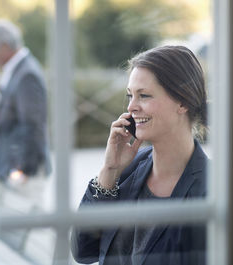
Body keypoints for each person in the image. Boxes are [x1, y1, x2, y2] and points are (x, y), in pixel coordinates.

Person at [71, 46, 208, 265]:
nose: (131, 107)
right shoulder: (127, 170)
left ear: (182, 102)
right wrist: (109, 171)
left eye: (143, 95)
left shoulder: (210, 189)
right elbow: (84, 252)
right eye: (130, 96)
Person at [0, 19, 50, 203]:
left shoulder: (26, 74)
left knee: (28, 227)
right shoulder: (18, 70)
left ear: (5, 46)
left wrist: (23, 168)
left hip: (23, 171)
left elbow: (32, 124)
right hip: (13, 167)